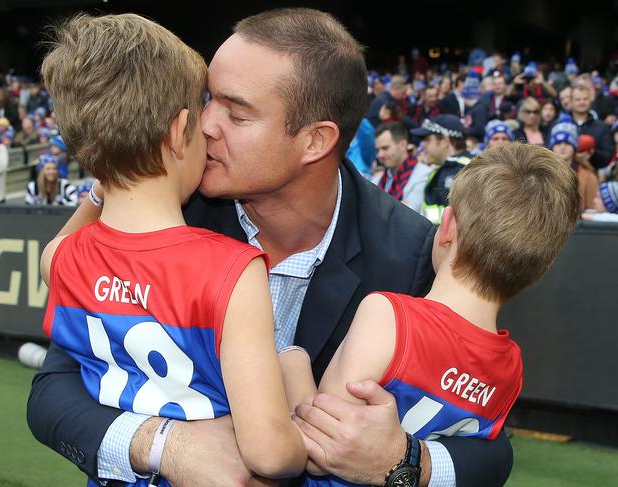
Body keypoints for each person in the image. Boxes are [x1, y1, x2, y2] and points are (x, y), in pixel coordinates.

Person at [28, 8, 513, 487]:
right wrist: (162, 445)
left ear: (314, 141)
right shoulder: (170, 209)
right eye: (205, 100)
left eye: (236, 113)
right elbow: (53, 392)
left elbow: (490, 450)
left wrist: (408, 462)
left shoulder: (411, 256)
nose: (205, 124)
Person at [34, 13, 306, 486]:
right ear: (181, 130)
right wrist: (296, 377)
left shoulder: (60, 259)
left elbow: (63, 240)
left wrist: (103, 186)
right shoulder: (232, 269)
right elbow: (270, 455)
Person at [279, 142, 580, 487]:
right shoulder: (511, 366)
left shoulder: (388, 316)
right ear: (540, 269)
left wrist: (291, 360)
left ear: (448, 225)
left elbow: (320, 451)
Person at [411, 114, 473, 224]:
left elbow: (459, 218)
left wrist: (414, 213)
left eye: (427, 140)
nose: (423, 145)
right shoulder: (469, 164)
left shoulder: (457, 171)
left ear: (444, 141)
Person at [549, 121, 598, 212]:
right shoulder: (542, 171)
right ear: (552, 147)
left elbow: (592, 209)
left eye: (567, 143)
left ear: (574, 147)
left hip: (579, 224)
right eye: (558, 143)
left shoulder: (588, 175)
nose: (562, 147)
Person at [374, 122, 417, 201]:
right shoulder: (378, 179)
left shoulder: (423, 175)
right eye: (378, 150)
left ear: (403, 145)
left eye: (385, 148)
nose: (379, 155)